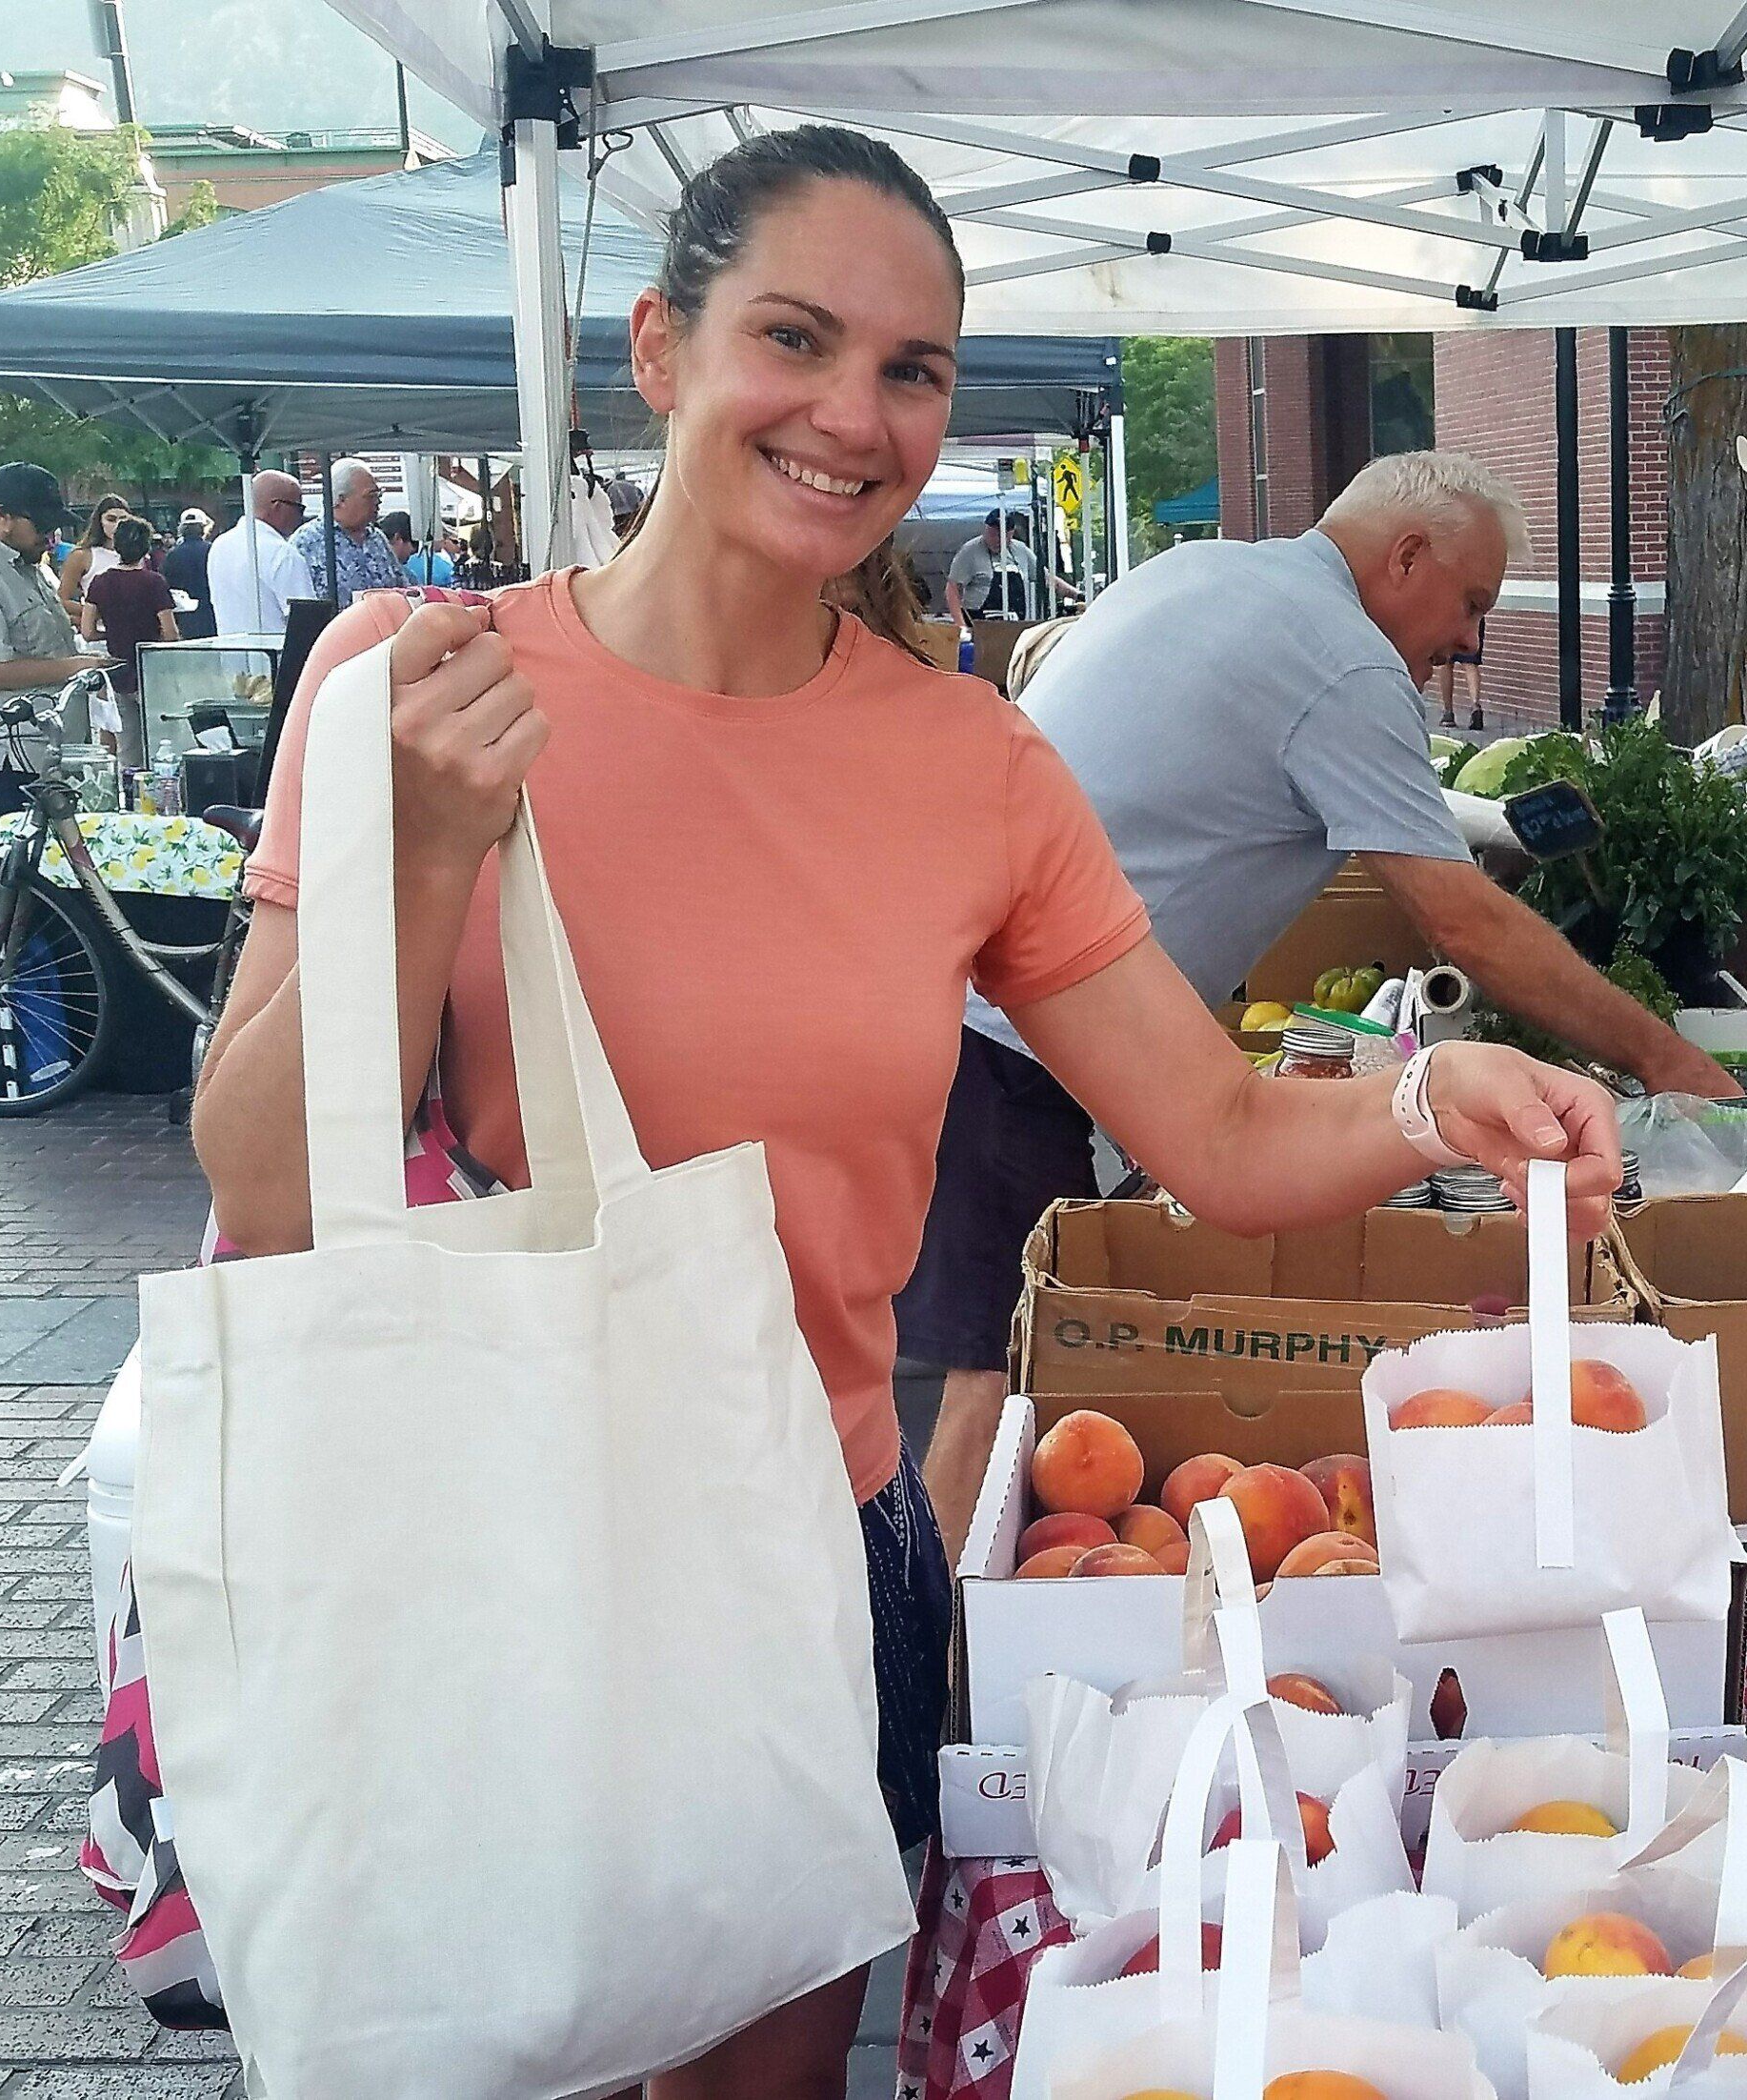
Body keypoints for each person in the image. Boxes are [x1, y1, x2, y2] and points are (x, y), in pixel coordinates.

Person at [191, 128, 1618, 2098]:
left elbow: (1213, 1131)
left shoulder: (970, 765)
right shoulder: (413, 682)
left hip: (809, 1553)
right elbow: (264, 1178)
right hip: (489, 1546)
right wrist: (421, 850)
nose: (856, 418)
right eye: (796, 337)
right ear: (661, 347)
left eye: (915, 369)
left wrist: (1433, 1091)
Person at [900, 448, 1737, 1561]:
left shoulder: (1206, 576)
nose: (1473, 642)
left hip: (970, 1009)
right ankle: (935, 1671)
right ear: (1405, 555)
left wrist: (1479, 828)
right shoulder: (1343, 663)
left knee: (1002, 1377)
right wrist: (1672, 1060)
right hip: (1017, 1042)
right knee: (998, 1387)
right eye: (1473, 603)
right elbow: (1467, 928)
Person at [0, 461, 104, 819]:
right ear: (2, 516)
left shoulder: (32, 567)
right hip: (8, 755)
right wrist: (75, 667)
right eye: (41, 524)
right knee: (15, 864)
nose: (50, 534)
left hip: (50, 748)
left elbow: (55, 635)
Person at [81, 515, 178, 765]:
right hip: (150, 670)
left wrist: (111, 632)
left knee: (127, 747)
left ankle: (131, 792)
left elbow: (87, 632)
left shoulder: (100, 582)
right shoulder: (154, 582)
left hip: (117, 670)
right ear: (146, 549)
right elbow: (170, 634)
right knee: (161, 741)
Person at [208, 472, 313, 637]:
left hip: (231, 656)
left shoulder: (219, 546)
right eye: (299, 508)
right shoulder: (283, 554)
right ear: (277, 506)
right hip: (278, 657)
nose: (301, 516)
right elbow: (307, 621)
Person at [292, 458, 407, 609]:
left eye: (379, 495)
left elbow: (402, 586)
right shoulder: (307, 542)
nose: (378, 501)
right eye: (371, 495)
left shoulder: (377, 538)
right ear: (341, 500)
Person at [944, 509, 1037, 625]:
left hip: (1015, 623)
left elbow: (1045, 577)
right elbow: (952, 589)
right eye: (993, 535)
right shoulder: (969, 551)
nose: (997, 540)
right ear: (986, 529)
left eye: (1003, 537)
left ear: (1011, 534)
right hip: (978, 622)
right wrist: (961, 626)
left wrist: (1067, 591)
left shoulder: (1020, 550)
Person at [55, 493, 131, 618]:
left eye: (123, 519)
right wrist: (95, 613)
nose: (118, 524)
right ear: (100, 521)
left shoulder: (139, 554)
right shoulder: (82, 555)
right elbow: (61, 600)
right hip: (99, 630)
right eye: (111, 519)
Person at [162, 508, 216, 639]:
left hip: (184, 617)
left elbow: (166, 585)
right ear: (203, 528)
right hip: (211, 614)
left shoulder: (172, 555)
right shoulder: (213, 551)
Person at [1439, 613, 1486, 730]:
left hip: (1448, 615)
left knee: (1446, 663)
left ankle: (1448, 713)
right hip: (1473, 615)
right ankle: (1475, 706)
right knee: (1470, 664)